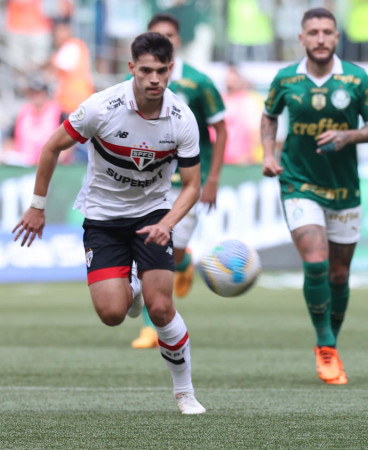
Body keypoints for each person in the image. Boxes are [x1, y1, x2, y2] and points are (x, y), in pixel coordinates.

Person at [13, 32, 207, 414]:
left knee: (162, 307)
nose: (155, 79)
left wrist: (167, 223)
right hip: (102, 218)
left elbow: (192, 187)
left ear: (171, 70)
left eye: (162, 71)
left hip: (153, 215)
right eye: (146, 70)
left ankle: (185, 392)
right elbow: (52, 146)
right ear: (132, 68)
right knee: (112, 314)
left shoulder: (182, 119)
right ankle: (130, 288)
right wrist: (37, 206)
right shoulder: (100, 107)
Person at [261, 7, 368, 385]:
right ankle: (325, 344)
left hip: (344, 189)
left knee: (338, 273)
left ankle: (330, 341)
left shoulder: (356, 79)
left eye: (327, 32)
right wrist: (268, 154)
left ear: (336, 37)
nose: (319, 38)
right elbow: (269, 116)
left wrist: (348, 136)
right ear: (301, 38)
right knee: (316, 262)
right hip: (298, 182)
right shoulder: (285, 79)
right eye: (312, 32)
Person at [129, 13, 227, 350]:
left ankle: (185, 262)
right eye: (157, 35)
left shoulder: (198, 82)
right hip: (149, 183)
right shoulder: (139, 81)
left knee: (175, 251)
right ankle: (150, 328)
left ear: (178, 40)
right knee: (151, 250)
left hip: (186, 182)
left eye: (168, 35)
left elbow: (221, 128)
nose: (163, 40)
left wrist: (212, 178)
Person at [2, 76, 68, 166]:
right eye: (33, 93)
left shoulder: (58, 113)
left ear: (45, 93)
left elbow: (69, 137)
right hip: (24, 164)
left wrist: (59, 158)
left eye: (39, 93)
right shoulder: (23, 112)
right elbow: (10, 139)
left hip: (50, 164)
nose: (36, 96)